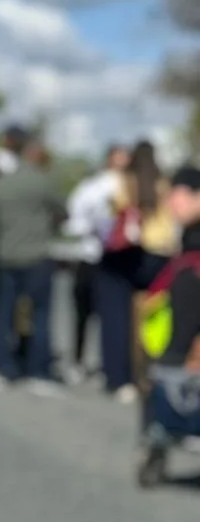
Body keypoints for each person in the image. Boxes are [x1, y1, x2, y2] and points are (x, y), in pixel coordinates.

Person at [97, 138, 175, 402]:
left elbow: (111, 213)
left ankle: (118, 377)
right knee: (157, 319)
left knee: (116, 317)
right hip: (162, 255)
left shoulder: (124, 182)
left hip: (129, 253)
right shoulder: (163, 183)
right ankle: (154, 373)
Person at [136, 164, 200, 484]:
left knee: (169, 376)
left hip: (188, 328)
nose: (172, 203)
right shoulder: (186, 235)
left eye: (178, 195)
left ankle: (158, 442)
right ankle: (156, 446)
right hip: (180, 323)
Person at [0, 127, 64, 390]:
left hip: (6, 253)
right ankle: (38, 370)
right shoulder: (42, 181)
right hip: (36, 254)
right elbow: (62, 210)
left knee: (3, 314)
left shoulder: (1, 183)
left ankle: (2, 366)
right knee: (40, 315)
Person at [63, 143, 128, 383]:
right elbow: (76, 219)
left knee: (108, 316)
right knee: (84, 313)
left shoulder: (128, 186)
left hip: (113, 257)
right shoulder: (93, 187)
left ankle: (105, 362)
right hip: (92, 256)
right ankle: (79, 359)